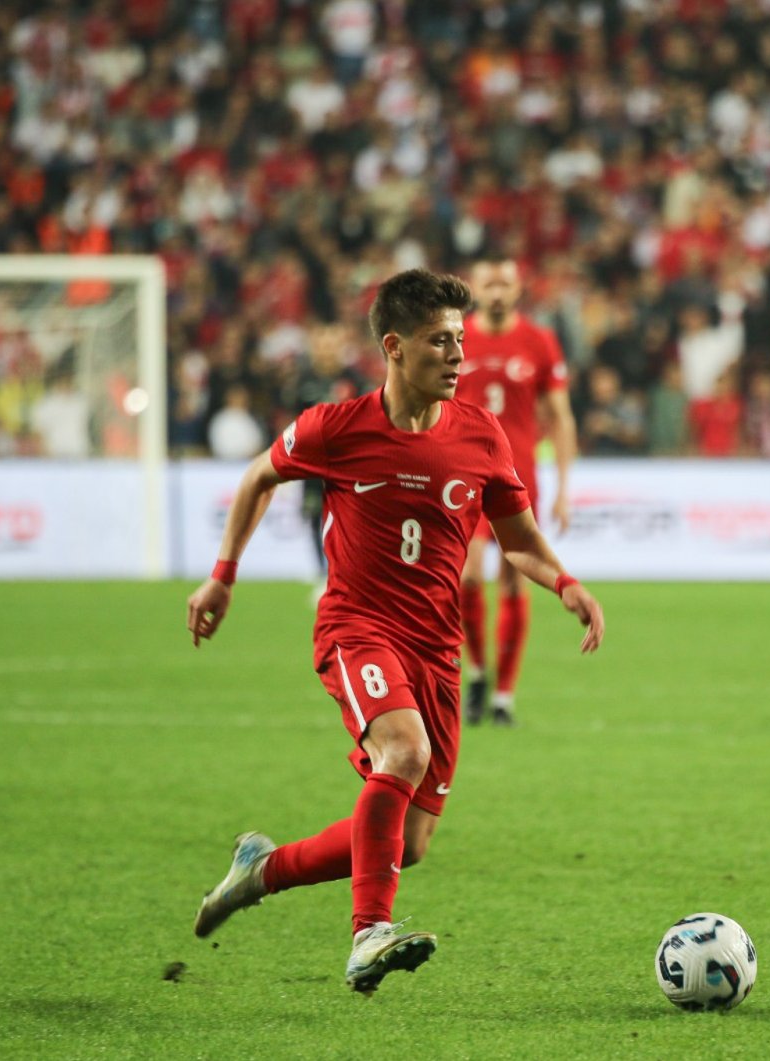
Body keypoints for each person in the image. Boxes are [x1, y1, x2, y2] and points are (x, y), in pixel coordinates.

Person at [185, 269, 605, 995]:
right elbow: (258, 476)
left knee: (406, 842)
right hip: (357, 628)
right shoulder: (336, 427)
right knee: (402, 749)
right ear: (394, 347)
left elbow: (520, 540)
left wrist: (566, 583)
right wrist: (223, 573)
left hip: (436, 650)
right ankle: (367, 933)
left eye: (461, 341)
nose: (457, 356)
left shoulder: (480, 434)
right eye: (440, 342)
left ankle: (262, 869)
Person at [454, 258, 577, 726]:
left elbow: (561, 416)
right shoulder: (457, 337)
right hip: (463, 478)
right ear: (475, 288)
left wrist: (564, 488)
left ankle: (503, 694)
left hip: (518, 479)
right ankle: (479, 669)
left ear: (519, 288)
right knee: (466, 575)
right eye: (490, 283)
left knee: (513, 578)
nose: (498, 290)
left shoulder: (539, 340)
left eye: (505, 282)